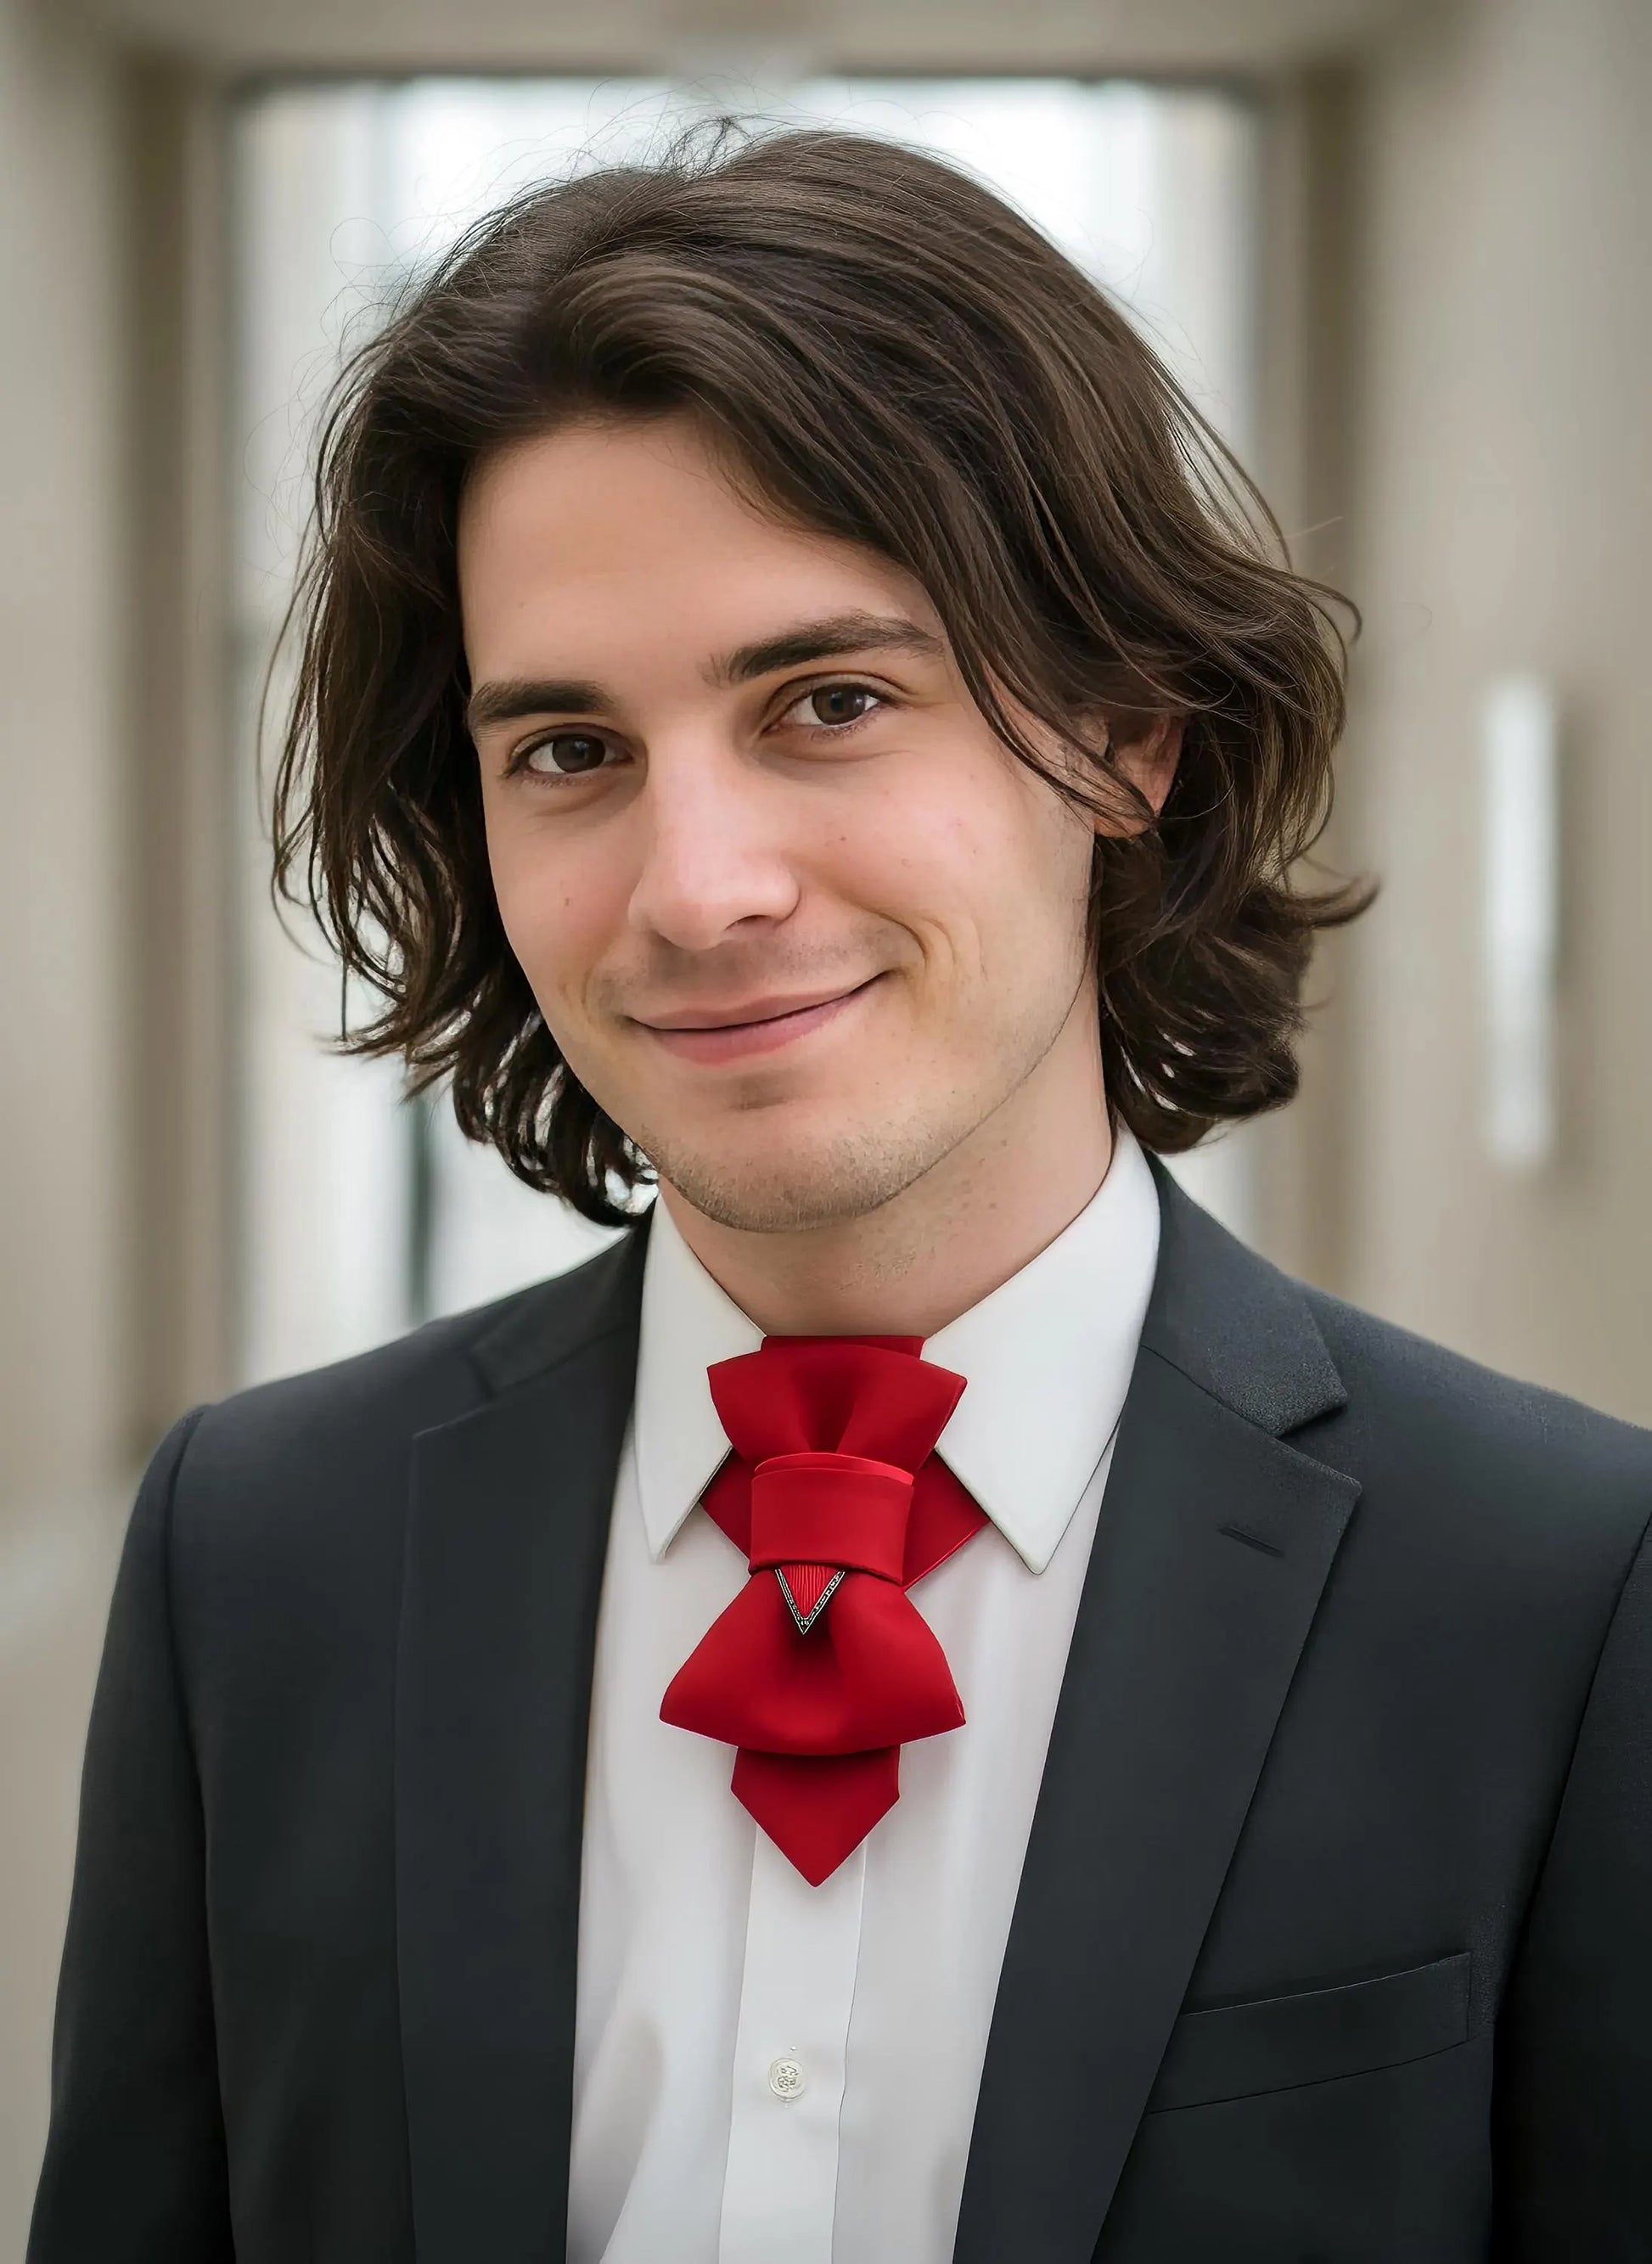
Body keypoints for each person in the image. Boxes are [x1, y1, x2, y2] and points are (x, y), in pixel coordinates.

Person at [28, 121, 1652, 2264]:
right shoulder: (259, 1547)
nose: (699, 888)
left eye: (830, 700)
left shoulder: (1563, 1585)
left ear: (1125, 732)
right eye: (570, 750)